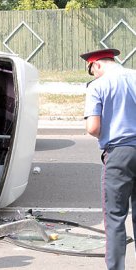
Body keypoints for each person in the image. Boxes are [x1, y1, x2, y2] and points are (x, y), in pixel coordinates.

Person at [81, 48, 136, 270]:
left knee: (115, 219)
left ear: (97, 65)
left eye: (92, 71)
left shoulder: (98, 86)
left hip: (119, 155)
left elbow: (93, 128)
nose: (93, 75)